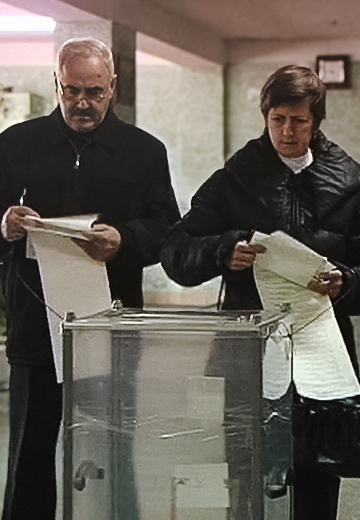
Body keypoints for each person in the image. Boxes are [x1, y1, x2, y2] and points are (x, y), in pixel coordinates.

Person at [160, 65, 360, 519]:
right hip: (249, 348)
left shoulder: (350, 182)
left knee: (316, 478)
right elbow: (175, 250)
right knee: (247, 474)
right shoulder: (235, 178)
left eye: (299, 121)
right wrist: (221, 250)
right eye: (277, 120)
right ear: (265, 116)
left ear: (317, 120)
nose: (287, 132)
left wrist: (347, 280)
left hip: (321, 352)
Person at [0, 37, 179, 520]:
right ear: (55, 84)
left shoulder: (144, 152)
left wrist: (123, 241)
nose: (82, 103)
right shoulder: (16, 145)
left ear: (113, 88)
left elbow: (168, 231)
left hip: (112, 326)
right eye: (72, 90)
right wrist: (5, 224)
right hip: (36, 325)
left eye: (94, 92)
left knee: (112, 452)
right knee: (29, 454)